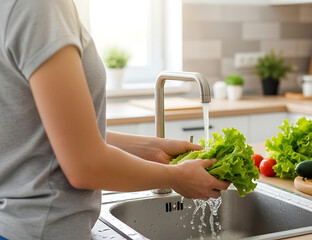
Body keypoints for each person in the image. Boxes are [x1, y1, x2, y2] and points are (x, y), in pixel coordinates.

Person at [0, 0, 229, 239]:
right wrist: (176, 177)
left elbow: (51, 135)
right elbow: (86, 165)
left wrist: (152, 149)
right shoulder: (39, 7)